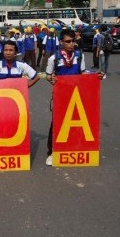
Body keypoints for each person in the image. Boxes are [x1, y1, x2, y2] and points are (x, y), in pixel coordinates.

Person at [45, 29, 104, 166]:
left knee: (76, 121)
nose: (72, 44)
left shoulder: (80, 55)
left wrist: (96, 76)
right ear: (61, 42)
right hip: (60, 96)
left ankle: (75, 146)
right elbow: (48, 75)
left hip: (76, 95)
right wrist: (51, 79)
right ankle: (52, 152)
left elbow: (83, 74)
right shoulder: (54, 58)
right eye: (68, 42)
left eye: (73, 41)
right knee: (56, 123)